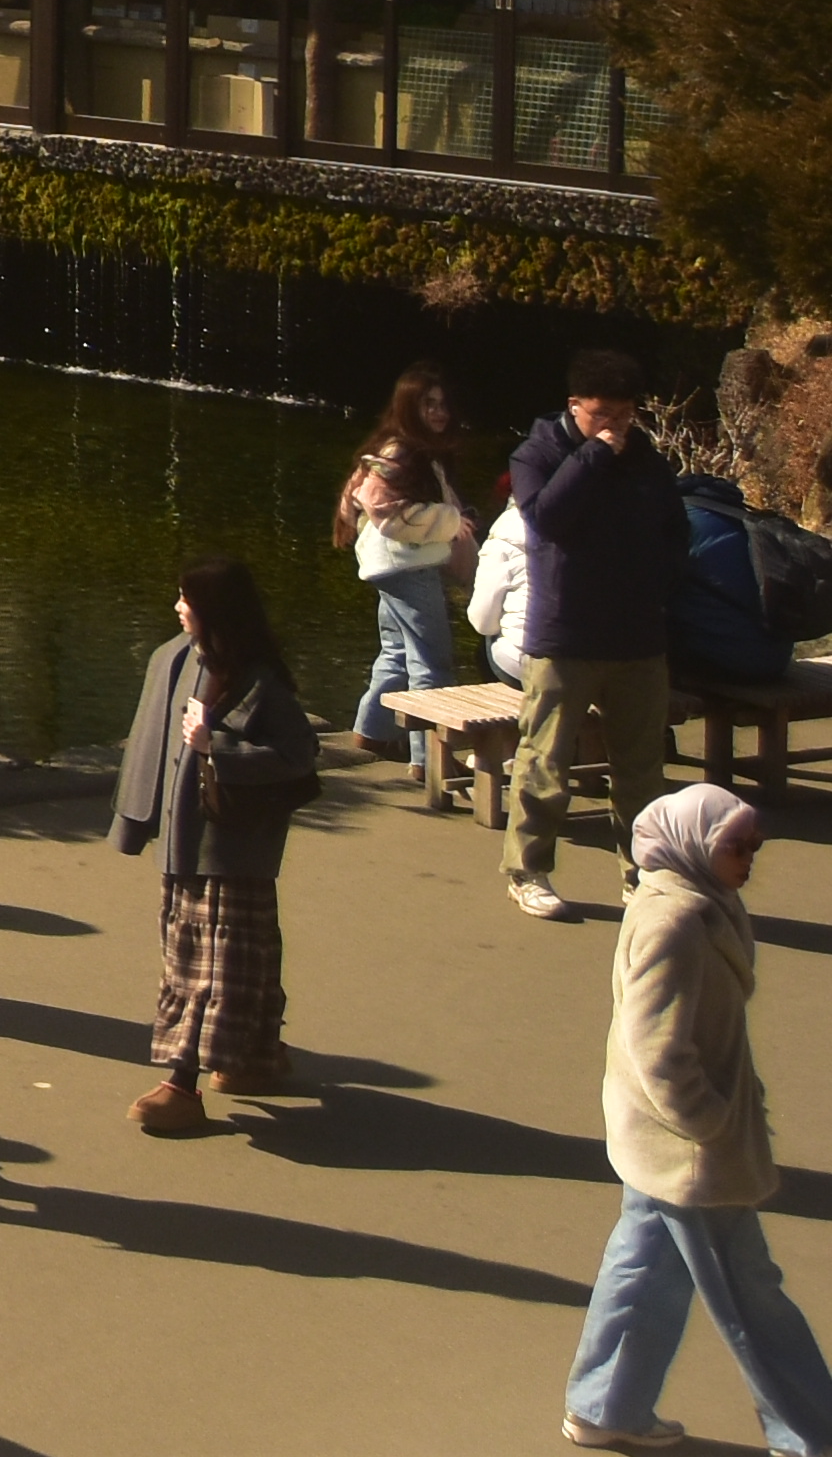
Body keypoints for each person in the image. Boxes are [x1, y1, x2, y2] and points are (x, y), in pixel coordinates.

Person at [568, 780, 832, 1454]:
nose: (749, 858)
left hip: (664, 1139)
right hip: (688, 1146)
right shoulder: (675, 919)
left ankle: (606, 1406)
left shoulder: (695, 901)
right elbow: (655, 1048)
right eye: (736, 845)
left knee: (646, 1266)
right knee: (753, 1298)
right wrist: (713, 1125)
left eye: (754, 845)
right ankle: (813, 1433)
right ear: (694, 845)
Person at [113, 552, 318, 1134]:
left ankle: (181, 1084)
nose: (178, 607)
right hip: (183, 849)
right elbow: (149, 745)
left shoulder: (259, 678)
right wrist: (135, 824)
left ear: (215, 611)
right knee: (219, 958)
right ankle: (254, 1057)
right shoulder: (171, 659)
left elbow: (299, 756)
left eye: (188, 599)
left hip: (234, 849)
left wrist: (216, 746)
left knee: (212, 970)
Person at [512, 348, 690, 920]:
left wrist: (656, 584)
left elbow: (674, 530)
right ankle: (527, 869)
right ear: (574, 406)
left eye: (624, 415)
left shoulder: (648, 461)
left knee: (641, 769)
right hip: (565, 635)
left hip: (637, 637)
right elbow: (547, 516)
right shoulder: (538, 453)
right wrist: (591, 455)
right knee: (546, 761)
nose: (614, 426)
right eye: (601, 414)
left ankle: (642, 875)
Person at [339, 363, 482, 755]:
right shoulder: (400, 451)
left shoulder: (408, 450)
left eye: (442, 405)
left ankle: (373, 732)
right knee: (432, 662)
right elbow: (386, 512)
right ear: (408, 407)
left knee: (398, 654)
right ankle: (429, 758)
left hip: (394, 567)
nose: (439, 412)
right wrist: (451, 522)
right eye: (428, 404)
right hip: (406, 567)